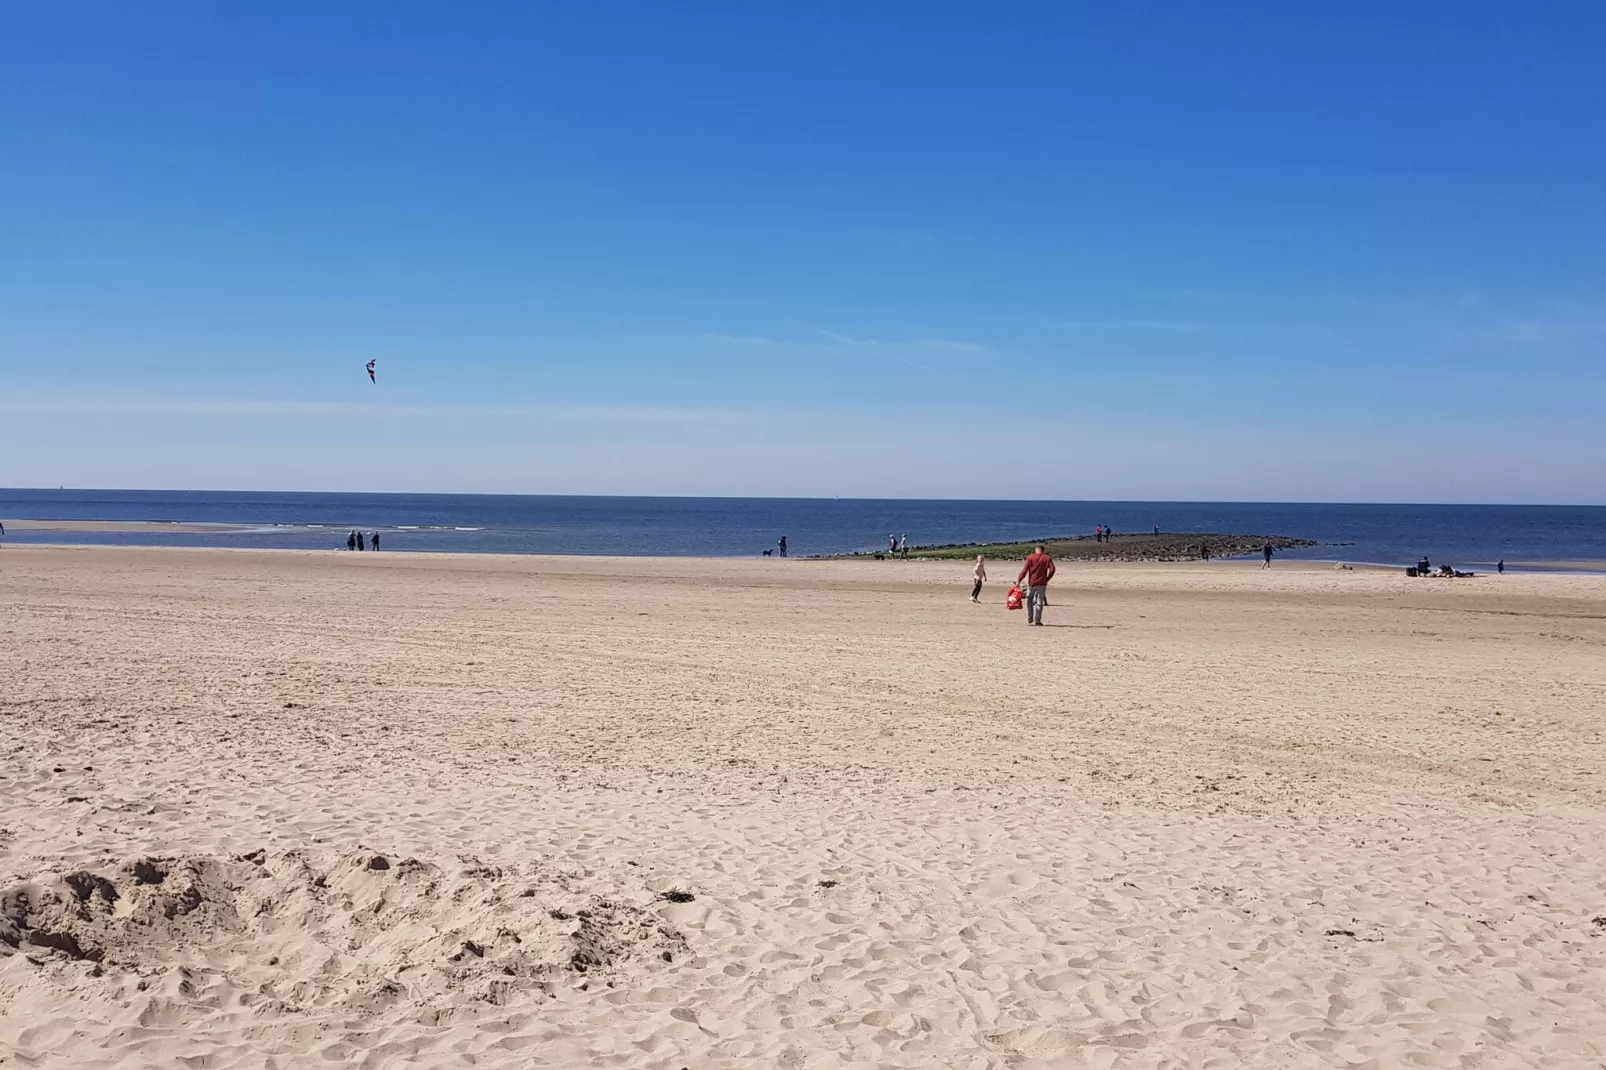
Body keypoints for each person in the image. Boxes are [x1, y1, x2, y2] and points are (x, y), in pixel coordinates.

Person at [1016, 544, 1056, 626]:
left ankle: (1030, 617)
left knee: (1029, 600)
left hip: (1032, 583)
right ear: (1043, 550)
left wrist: (1019, 580)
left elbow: (1024, 571)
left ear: (1035, 550)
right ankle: (1037, 620)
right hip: (1042, 583)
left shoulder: (1030, 557)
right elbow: (1052, 570)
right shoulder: (1047, 558)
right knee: (1040, 601)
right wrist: (1047, 578)